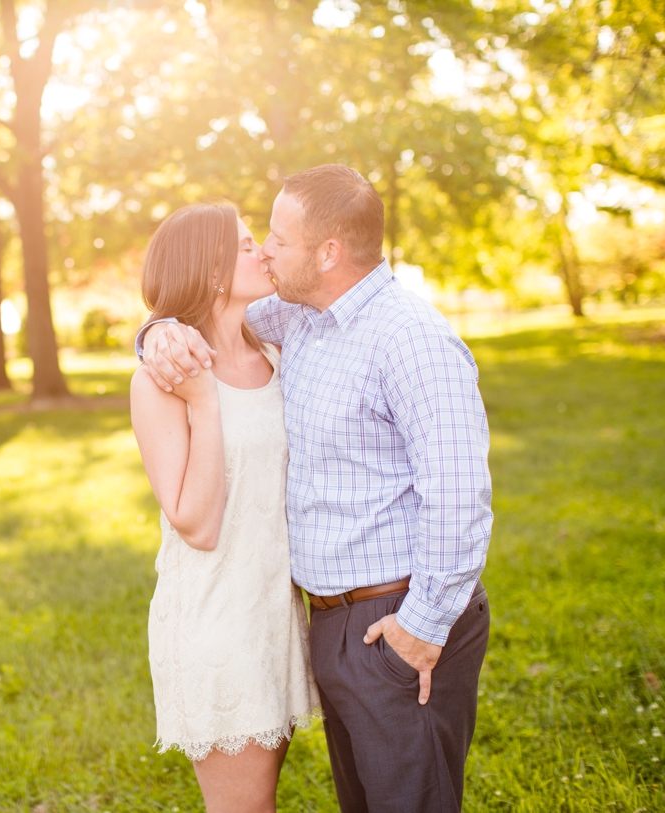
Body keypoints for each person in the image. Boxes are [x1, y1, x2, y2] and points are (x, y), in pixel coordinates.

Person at [138, 165, 493, 813]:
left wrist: (423, 624)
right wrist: (156, 330)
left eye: (276, 237)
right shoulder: (296, 319)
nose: (267, 250)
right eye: (256, 239)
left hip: (397, 616)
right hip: (323, 622)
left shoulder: (410, 339)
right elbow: (195, 312)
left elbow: (459, 496)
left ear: (328, 251)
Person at [129, 202, 318, 813]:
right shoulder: (162, 379)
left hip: (277, 614)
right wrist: (205, 403)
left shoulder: (274, 349)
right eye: (243, 245)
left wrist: (156, 325)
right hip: (218, 622)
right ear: (209, 271)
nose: (262, 250)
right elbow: (197, 523)